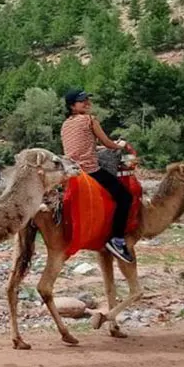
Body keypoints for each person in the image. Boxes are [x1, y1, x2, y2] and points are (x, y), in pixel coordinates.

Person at [60, 89, 135, 263]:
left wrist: (105, 147)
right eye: (82, 101)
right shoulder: (89, 120)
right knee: (125, 197)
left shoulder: (65, 124)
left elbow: (82, 147)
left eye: (87, 100)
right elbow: (107, 143)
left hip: (70, 168)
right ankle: (117, 240)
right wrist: (121, 145)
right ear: (72, 105)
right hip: (89, 170)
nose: (87, 103)